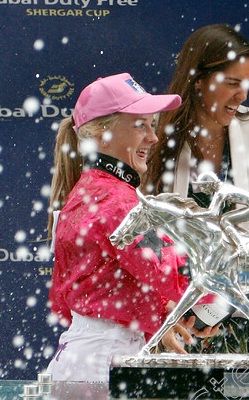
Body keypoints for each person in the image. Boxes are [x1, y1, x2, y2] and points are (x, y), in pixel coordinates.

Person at [45, 73, 218, 382]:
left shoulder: (88, 192)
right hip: (103, 363)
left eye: (152, 125)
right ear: (101, 136)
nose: (153, 138)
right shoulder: (116, 202)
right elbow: (177, 274)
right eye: (141, 125)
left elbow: (70, 301)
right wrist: (214, 303)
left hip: (86, 358)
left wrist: (160, 314)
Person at [145, 24, 249, 346]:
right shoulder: (155, 131)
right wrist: (165, 306)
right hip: (169, 314)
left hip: (236, 310)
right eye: (232, 83)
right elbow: (141, 235)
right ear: (199, 80)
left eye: (247, 83)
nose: (244, 95)